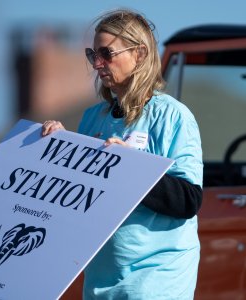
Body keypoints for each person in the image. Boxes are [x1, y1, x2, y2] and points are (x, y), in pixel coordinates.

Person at [41, 8, 203, 300]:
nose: (98, 63)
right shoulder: (92, 117)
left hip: (155, 279)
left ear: (140, 54)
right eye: (93, 55)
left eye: (107, 53)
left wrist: (134, 167)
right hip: (101, 280)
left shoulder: (173, 116)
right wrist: (59, 149)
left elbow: (188, 199)